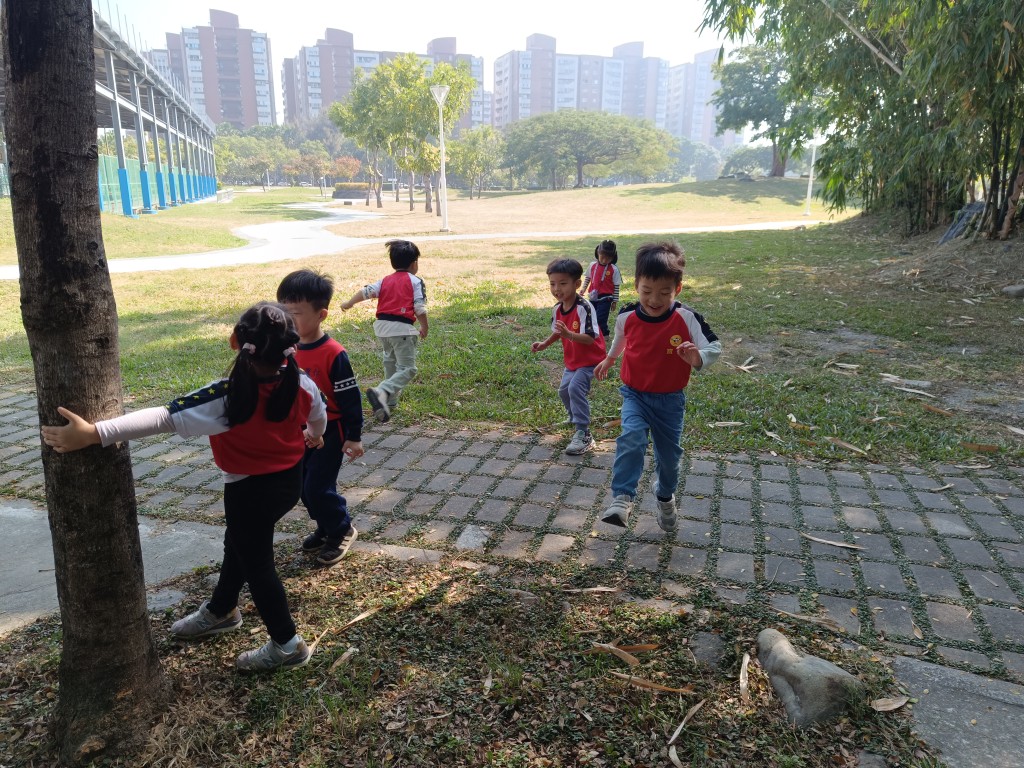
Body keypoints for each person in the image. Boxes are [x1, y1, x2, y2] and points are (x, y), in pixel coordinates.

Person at [41, 303, 326, 672]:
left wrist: (95, 433)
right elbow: (318, 416)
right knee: (240, 544)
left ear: (235, 341)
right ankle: (222, 610)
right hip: (289, 483)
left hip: (248, 493)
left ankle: (287, 644)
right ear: (291, 347)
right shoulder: (301, 382)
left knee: (258, 566)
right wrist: (314, 435)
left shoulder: (226, 395)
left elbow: (162, 418)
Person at [594, 242, 721, 532]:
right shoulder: (627, 315)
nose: (654, 299)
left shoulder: (686, 317)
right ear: (636, 286)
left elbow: (714, 346)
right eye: (647, 291)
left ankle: (664, 497)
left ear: (678, 289)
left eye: (664, 292)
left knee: (669, 460)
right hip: (635, 395)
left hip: (669, 402)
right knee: (631, 438)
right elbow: (621, 337)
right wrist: (610, 358)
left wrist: (697, 357)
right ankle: (621, 499)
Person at [277, 269, 364, 567]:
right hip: (300, 431)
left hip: (331, 430)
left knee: (317, 486)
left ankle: (341, 529)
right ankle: (326, 526)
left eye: (295, 314)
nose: (288, 320)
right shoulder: (286, 350)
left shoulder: (333, 354)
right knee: (302, 486)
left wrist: (354, 436)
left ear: (321, 314)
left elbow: (351, 399)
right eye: (283, 313)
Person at [340, 239, 428, 423]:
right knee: (407, 368)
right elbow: (419, 308)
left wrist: (349, 303)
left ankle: (389, 402)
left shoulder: (385, 280)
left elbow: (366, 291)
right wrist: (424, 327)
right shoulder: (415, 281)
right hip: (401, 329)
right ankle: (382, 391)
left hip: (382, 329)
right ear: (414, 264)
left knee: (390, 363)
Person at [532, 258, 607, 455]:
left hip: (591, 360)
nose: (557, 289)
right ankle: (574, 417)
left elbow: (590, 338)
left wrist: (569, 334)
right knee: (564, 391)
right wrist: (544, 344)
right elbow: (558, 332)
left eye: (563, 283)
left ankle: (584, 432)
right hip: (573, 360)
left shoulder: (584, 307)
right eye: (552, 284)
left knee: (575, 389)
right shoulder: (558, 308)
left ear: (577, 284)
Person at [580, 239, 622, 337]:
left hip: (606, 298)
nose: (604, 260)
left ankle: (604, 334)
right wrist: (583, 289)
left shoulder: (614, 269)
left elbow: (616, 286)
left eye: (608, 258)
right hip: (593, 296)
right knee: (592, 315)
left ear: (613, 257)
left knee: (601, 317)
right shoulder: (592, 265)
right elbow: (588, 278)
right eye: (602, 257)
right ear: (598, 253)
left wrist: (615, 301)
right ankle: (594, 332)